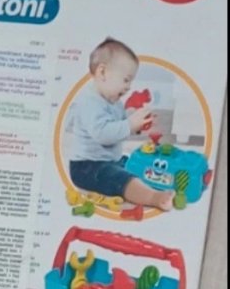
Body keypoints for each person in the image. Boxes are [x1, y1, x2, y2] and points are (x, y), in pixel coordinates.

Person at [69, 38, 173, 211]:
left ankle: (156, 182)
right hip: (87, 167)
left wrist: (138, 123)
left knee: (134, 163)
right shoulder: (89, 102)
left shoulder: (115, 102)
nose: (129, 87)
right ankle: (154, 197)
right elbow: (103, 134)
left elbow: (120, 126)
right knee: (119, 179)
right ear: (102, 72)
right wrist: (130, 124)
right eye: (126, 80)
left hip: (111, 160)